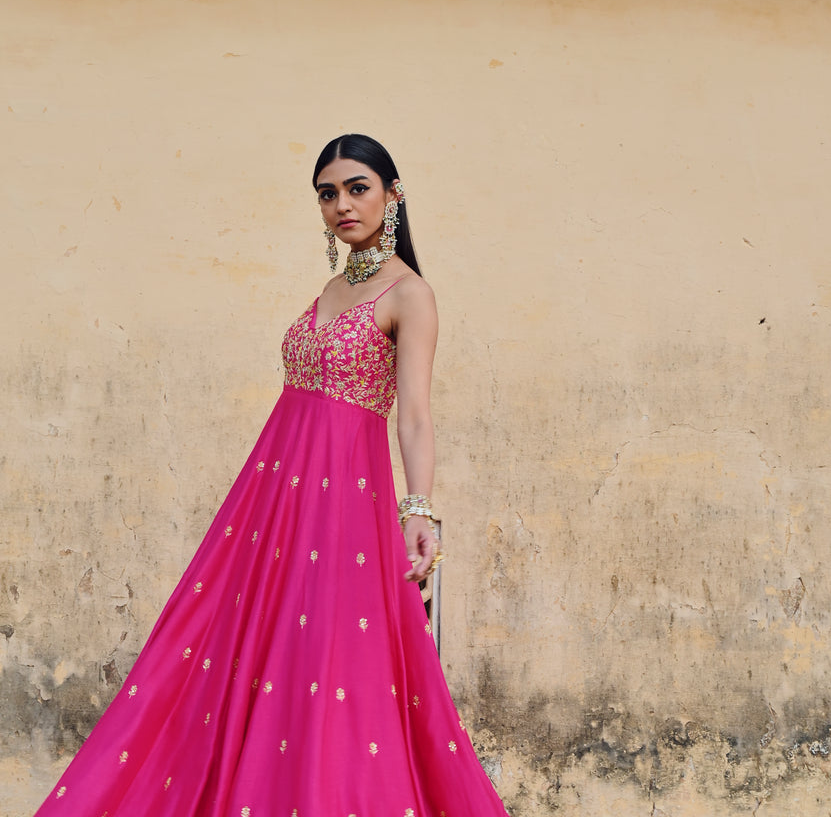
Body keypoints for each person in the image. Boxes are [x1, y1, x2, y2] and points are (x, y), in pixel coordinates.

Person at [33, 134, 509, 816]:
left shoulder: (411, 294)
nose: (341, 204)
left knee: (329, 664)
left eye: (357, 187)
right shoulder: (333, 287)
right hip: (274, 496)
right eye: (327, 192)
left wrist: (419, 511)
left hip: (345, 501)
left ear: (393, 196)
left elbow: (414, 418)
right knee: (233, 648)